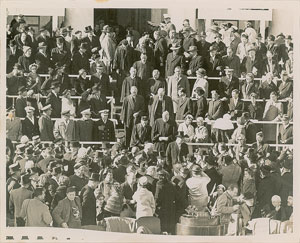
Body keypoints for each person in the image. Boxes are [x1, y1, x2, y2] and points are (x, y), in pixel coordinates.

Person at [155, 170, 178, 234]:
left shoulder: (159, 184)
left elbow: (157, 197)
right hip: (170, 208)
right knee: (169, 226)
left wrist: (155, 206)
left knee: (163, 227)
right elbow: (176, 196)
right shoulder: (171, 184)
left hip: (162, 208)